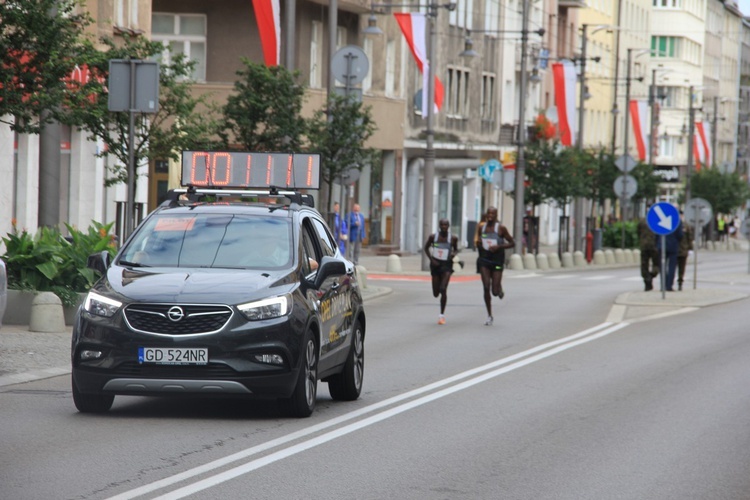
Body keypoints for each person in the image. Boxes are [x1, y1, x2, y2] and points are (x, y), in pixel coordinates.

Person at [476, 207, 514, 326]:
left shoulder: (501, 228)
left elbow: (512, 243)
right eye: (489, 213)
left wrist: (499, 247)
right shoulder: (482, 227)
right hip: (485, 260)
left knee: (495, 292)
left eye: (493, 213)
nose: (490, 215)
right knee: (486, 287)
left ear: (496, 215)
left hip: (497, 261)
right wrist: (479, 244)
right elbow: (478, 242)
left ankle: (499, 287)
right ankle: (489, 315)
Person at [424, 219, 459, 325]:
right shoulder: (433, 237)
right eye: (442, 225)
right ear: (439, 226)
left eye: (446, 225)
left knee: (443, 289)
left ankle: (441, 315)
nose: (444, 226)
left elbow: (456, 249)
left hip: (447, 265)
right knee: (436, 293)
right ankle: (439, 296)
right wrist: (431, 259)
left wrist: (453, 254)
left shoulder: (453, 238)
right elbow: (426, 248)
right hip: (435, 265)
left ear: (448, 226)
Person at [656, 209, 683, 292]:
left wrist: (657, 243)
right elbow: (680, 235)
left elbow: (656, 233)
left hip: (662, 246)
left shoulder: (661, 220)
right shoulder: (677, 222)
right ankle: (669, 286)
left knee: (662, 266)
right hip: (673, 246)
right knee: (672, 267)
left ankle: (663, 285)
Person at [637, 214, 659, 291]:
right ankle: (651, 275)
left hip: (644, 245)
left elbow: (638, 232)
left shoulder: (642, 221)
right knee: (656, 264)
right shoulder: (657, 221)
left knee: (644, 264)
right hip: (654, 246)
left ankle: (647, 280)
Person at [677, 210, 693, 291]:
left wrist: (690, 248)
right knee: (671, 268)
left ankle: (680, 282)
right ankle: (669, 283)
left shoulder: (686, 225)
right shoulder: (673, 224)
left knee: (681, 268)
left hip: (683, 249)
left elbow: (689, 238)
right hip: (675, 250)